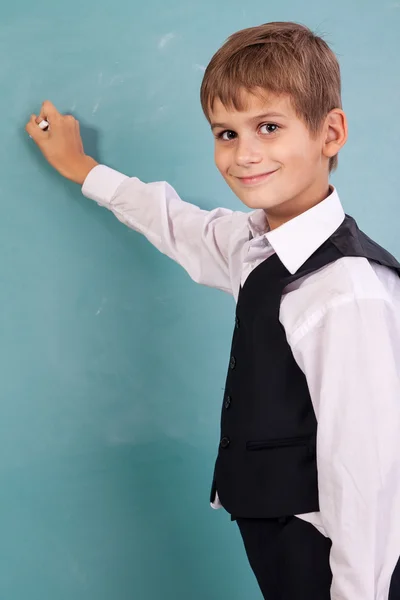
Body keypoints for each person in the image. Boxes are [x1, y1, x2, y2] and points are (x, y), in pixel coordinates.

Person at [26, 20, 400, 600]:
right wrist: (82, 169)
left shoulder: (347, 290)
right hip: (279, 539)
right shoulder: (256, 246)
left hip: (329, 559)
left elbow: (367, 474)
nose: (244, 154)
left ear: (331, 133)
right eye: (226, 133)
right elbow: (177, 223)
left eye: (268, 127)